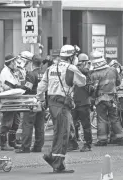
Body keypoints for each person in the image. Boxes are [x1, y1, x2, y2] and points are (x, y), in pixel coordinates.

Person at [36, 45, 86, 173]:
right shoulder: (71, 68)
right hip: (63, 104)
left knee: (61, 131)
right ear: (71, 57)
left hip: (52, 103)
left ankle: (55, 158)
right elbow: (82, 82)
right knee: (63, 133)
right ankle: (56, 163)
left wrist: (40, 99)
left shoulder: (51, 68)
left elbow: (41, 86)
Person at [89, 51, 123, 146]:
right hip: (112, 99)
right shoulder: (113, 70)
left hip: (100, 100)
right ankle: (120, 138)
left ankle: (102, 140)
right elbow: (118, 83)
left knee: (101, 119)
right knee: (115, 118)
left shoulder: (93, 74)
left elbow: (91, 89)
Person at [16, 54, 45, 153]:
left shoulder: (31, 74)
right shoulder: (45, 73)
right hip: (42, 101)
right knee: (39, 125)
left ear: (32, 63)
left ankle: (25, 147)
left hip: (32, 101)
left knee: (27, 124)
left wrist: (18, 88)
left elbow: (28, 87)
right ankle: (38, 146)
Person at [69, 53, 94, 152]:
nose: (81, 65)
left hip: (83, 102)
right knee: (74, 124)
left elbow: (90, 87)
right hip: (76, 102)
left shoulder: (86, 72)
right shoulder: (77, 71)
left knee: (85, 125)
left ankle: (87, 144)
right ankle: (74, 143)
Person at [0, 54, 22, 151]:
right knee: (7, 123)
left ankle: (12, 142)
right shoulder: (5, 72)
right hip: (7, 100)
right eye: (14, 62)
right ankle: (3, 144)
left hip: (14, 100)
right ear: (10, 62)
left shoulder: (12, 71)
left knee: (16, 123)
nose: (15, 64)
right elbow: (9, 85)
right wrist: (19, 86)